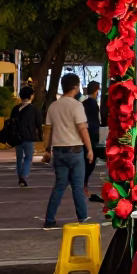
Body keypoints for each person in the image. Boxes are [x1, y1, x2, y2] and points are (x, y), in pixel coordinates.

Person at [42, 73, 94, 229]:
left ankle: (50, 219)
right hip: (75, 150)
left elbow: (48, 130)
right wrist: (90, 149)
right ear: (76, 87)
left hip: (58, 151)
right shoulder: (77, 106)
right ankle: (83, 217)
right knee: (77, 186)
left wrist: (47, 150)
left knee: (59, 186)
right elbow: (82, 129)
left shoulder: (53, 106)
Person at [9, 85, 43, 186]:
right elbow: (39, 124)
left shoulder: (15, 109)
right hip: (29, 137)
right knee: (28, 157)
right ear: (31, 96)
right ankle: (24, 175)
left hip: (17, 137)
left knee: (19, 157)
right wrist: (40, 137)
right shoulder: (35, 109)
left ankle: (20, 177)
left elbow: (10, 122)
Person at [82, 80, 102, 198]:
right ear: (96, 90)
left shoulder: (83, 103)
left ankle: (84, 183)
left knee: (86, 159)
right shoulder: (93, 103)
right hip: (92, 134)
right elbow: (96, 121)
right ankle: (84, 183)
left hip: (85, 133)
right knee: (90, 160)